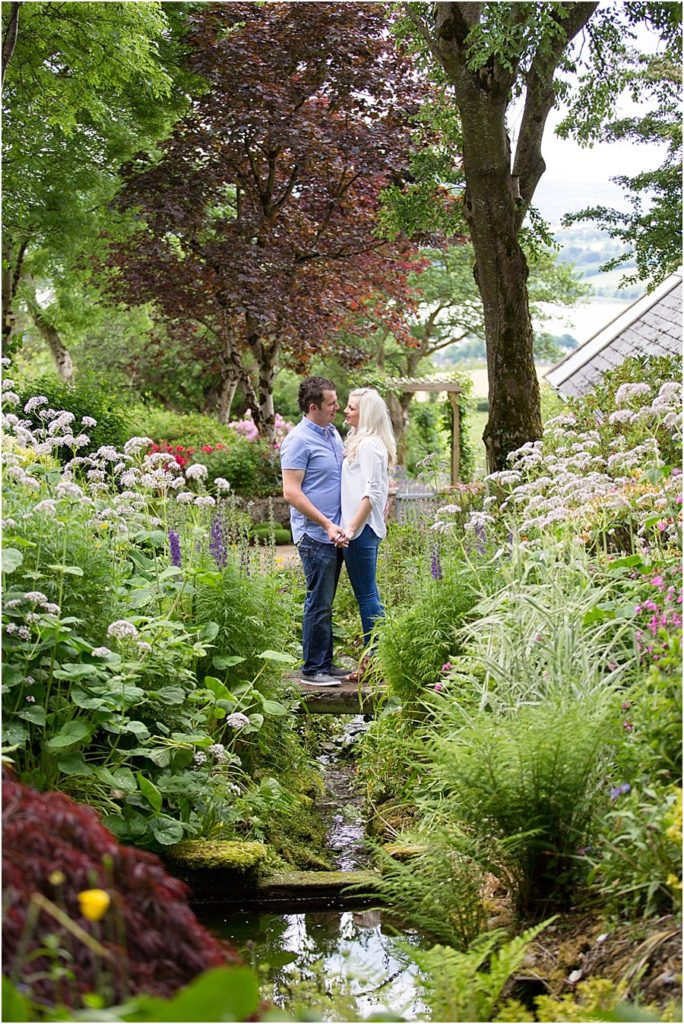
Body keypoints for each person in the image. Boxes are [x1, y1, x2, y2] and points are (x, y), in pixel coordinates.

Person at [280, 376, 350, 687]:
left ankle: (325, 663)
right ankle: (312, 670)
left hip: (336, 533)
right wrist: (326, 523)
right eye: (331, 403)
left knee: (326, 601)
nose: (338, 407)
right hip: (315, 535)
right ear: (313, 407)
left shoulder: (332, 433)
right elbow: (291, 492)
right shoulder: (298, 440)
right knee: (318, 601)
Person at [339, 387, 395, 682]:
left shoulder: (371, 446)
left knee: (367, 595)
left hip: (360, 531)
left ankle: (374, 662)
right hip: (358, 530)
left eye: (352, 407)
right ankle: (374, 660)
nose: (345, 411)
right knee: (367, 595)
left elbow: (371, 493)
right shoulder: (362, 443)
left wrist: (351, 528)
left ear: (367, 413)